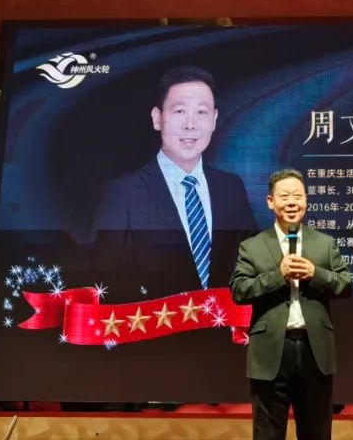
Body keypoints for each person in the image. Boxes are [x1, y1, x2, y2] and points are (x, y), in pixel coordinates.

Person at [230, 169, 353, 440]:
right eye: (284, 196)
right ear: (270, 202)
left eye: (298, 195)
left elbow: (346, 285)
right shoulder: (253, 247)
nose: (291, 202)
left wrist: (316, 274)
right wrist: (276, 275)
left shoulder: (324, 244)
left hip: (314, 353)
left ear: (306, 201)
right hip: (271, 354)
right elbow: (239, 290)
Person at [93, 65, 256, 298]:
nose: (190, 124)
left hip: (224, 319)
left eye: (201, 112)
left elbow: (252, 268)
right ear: (157, 118)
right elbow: (103, 283)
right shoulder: (123, 194)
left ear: (214, 119)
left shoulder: (231, 188)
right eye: (179, 111)